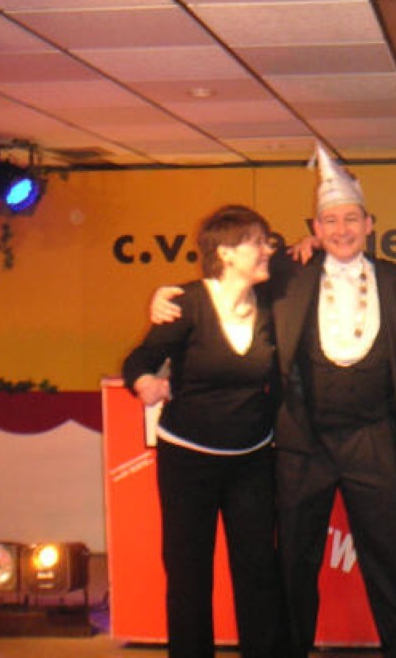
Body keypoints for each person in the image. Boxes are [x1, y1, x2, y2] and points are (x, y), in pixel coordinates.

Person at [151, 147, 396, 658]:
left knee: (388, 562)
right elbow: (224, 281)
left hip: (371, 439)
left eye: (351, 219)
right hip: (303, 441)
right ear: (315, 229)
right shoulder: (285, 275)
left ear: (369, 225)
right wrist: (168, 297)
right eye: (330, 221)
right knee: (292, 566)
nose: (342, 230)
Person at [123, 204, 286, 658]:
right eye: (257, 242)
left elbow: (308, 260)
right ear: (226, 252)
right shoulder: (187, 303)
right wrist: (146, 383)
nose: (267, 250)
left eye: (268, 241)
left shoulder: (271, 304)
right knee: (189, 572)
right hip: (188, 461)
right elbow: (139, 360)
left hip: (252, 459)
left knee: (258, 570)